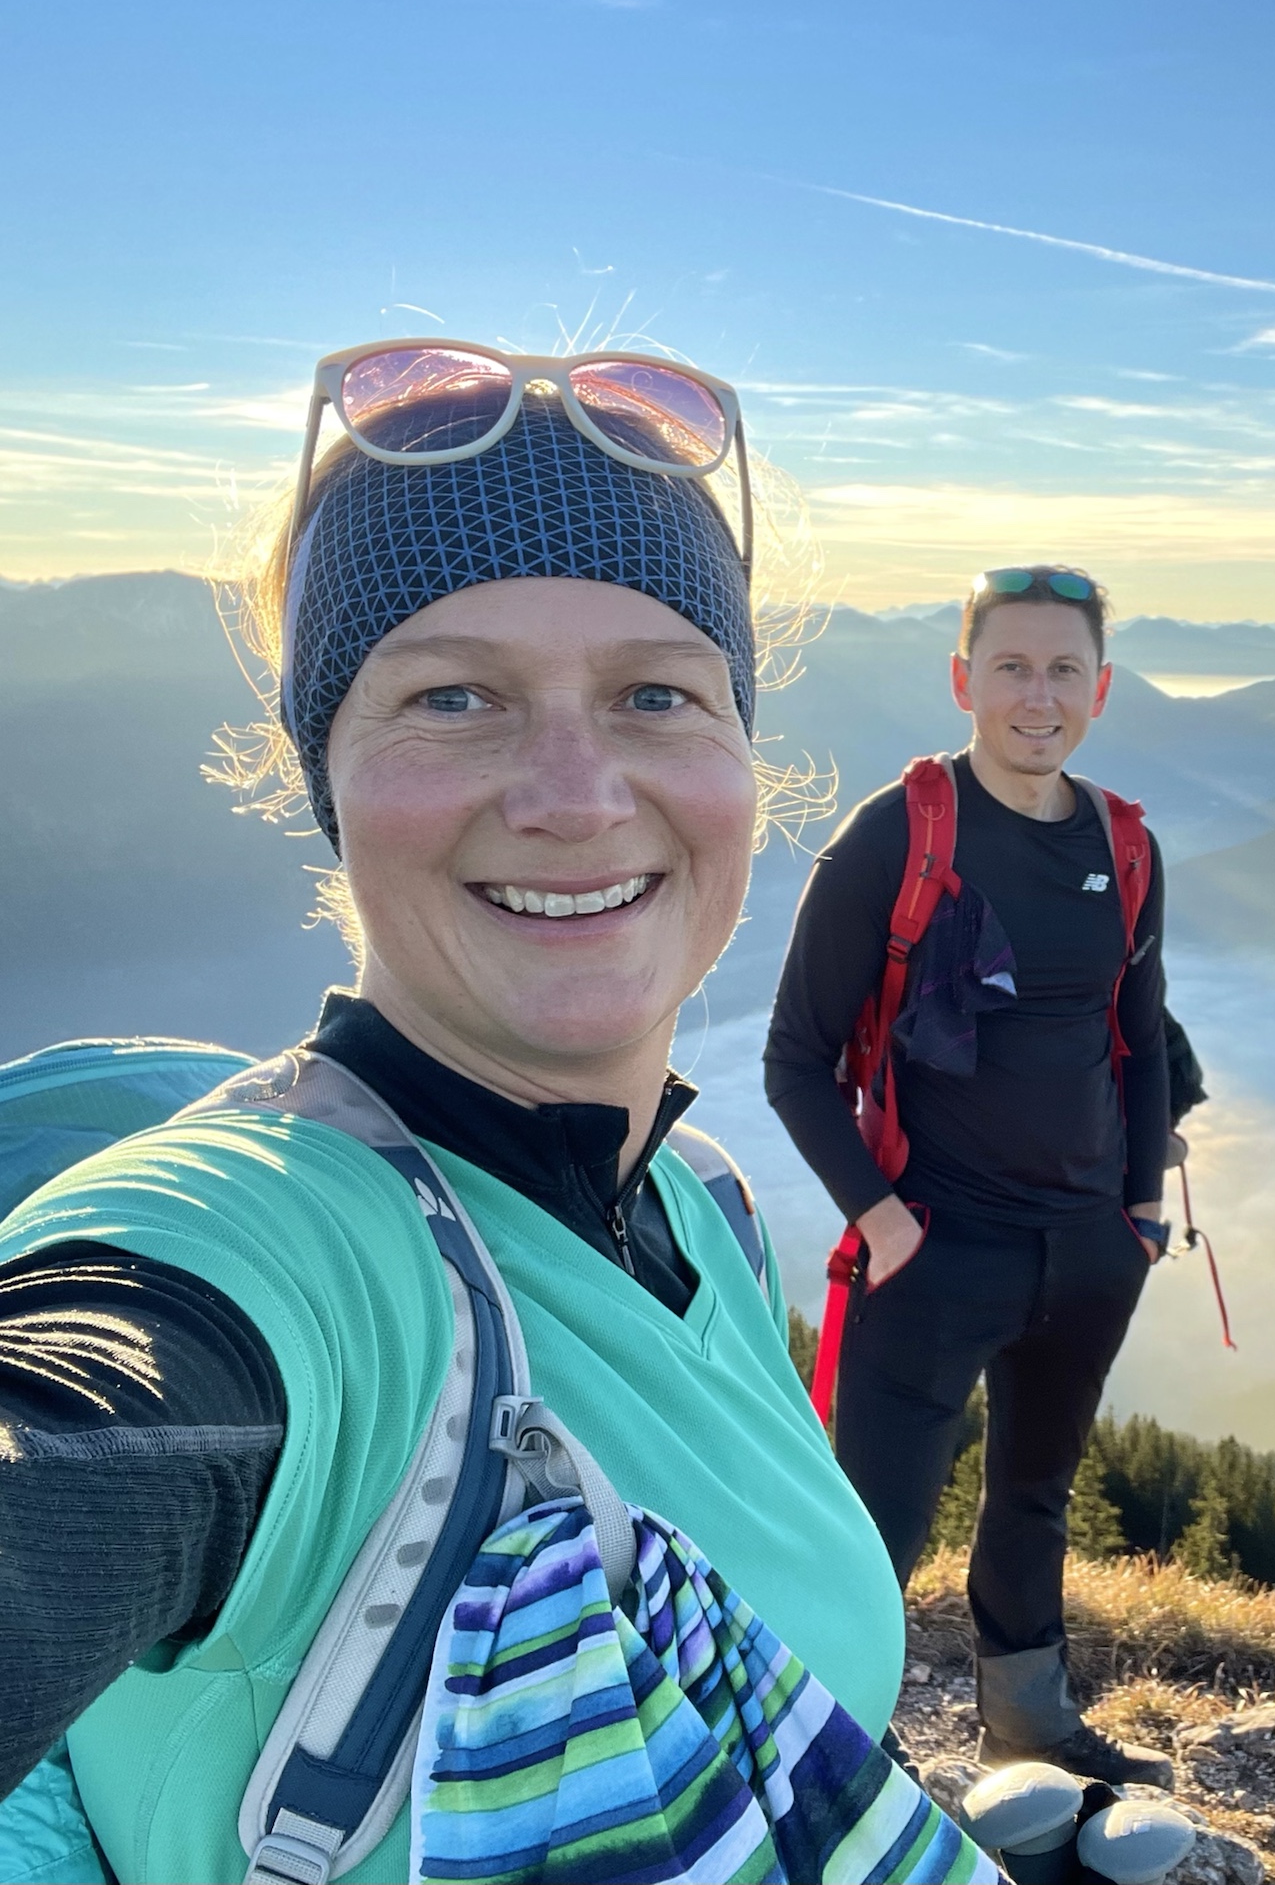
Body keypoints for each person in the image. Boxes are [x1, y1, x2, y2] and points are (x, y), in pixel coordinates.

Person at [0, 347, 909, 1880]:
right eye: (455, 697)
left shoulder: (705, 1210)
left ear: (743, 754)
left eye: (657, 694)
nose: (575, 792)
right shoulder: (256, 1259)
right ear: (328, 776)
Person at [764, 566, 1175, 1787]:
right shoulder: (897, 836)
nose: (1037, 696)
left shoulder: (1125, 843)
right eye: (1010, 667)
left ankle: (1032, 1731)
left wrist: (1139, 1212)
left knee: (1035, 1498)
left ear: (1099, 689)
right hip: (936, 1247)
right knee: (872, 1524)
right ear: (963, 681)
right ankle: (835, 1752)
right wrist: (884, 1222)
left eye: (1062, 671)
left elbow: (1141, 1033)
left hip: (1087, 1245)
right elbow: (794, 1059)